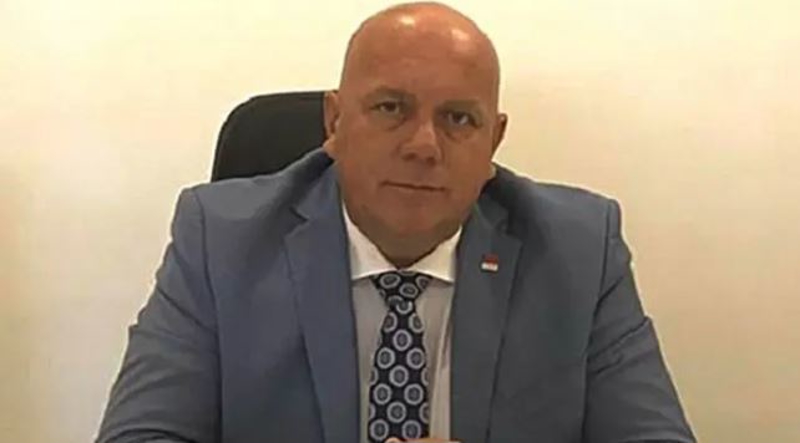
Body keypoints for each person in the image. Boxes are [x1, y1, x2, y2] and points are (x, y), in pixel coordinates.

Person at [96, 2, 695, 443]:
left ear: (493, 142)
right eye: (391, 109)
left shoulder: (579, 250)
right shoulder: (220, 239)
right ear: (334, 123)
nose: (424, 145)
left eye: (458, 119)